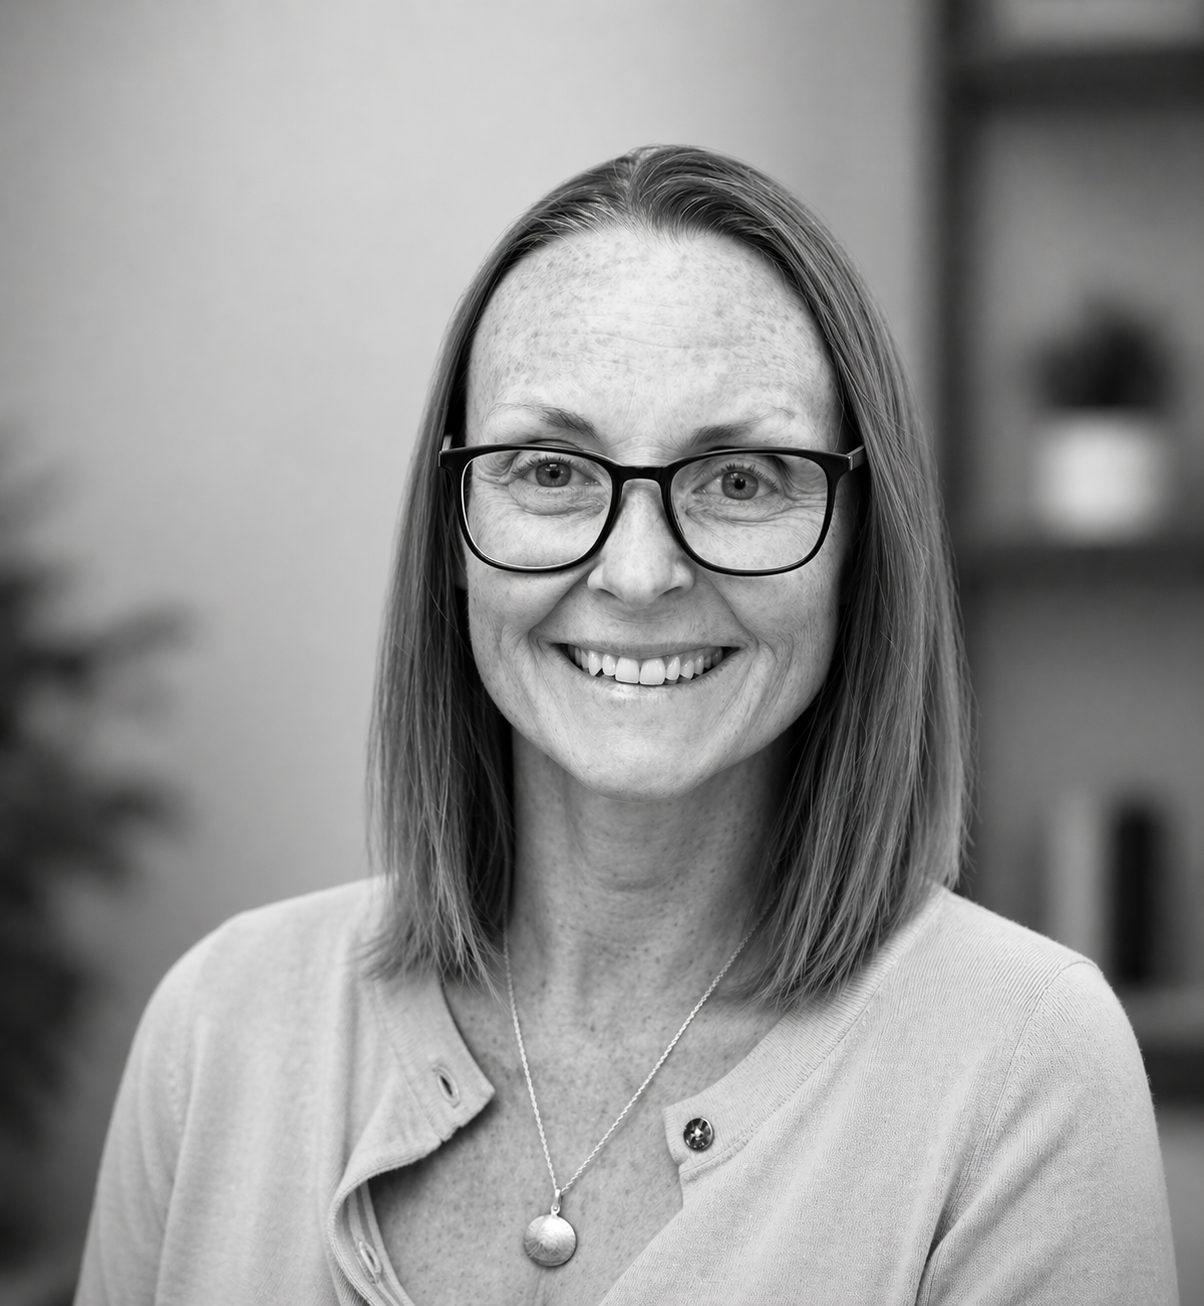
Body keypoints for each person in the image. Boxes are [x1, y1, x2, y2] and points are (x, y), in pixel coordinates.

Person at [76, 145, 1177, 1305]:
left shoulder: (1023, 1064)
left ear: (861, 546)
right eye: (550, 470)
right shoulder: (220, 1027)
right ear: (454, 532)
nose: (640, 574)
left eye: (741, 479)